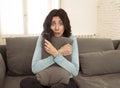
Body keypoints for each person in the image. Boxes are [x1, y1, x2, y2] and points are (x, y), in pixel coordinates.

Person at [20, 8, 79, 88]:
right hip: (44, 78)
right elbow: (35, 68)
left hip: (64, 81)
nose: (57, 28)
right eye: (53, 24)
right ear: (49, 25)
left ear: (65, 25)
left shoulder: (71, 39)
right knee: (25, 83)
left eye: (61, 24)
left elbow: (75, 71)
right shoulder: (43, 38)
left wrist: (56, 53)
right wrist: (58, 53)